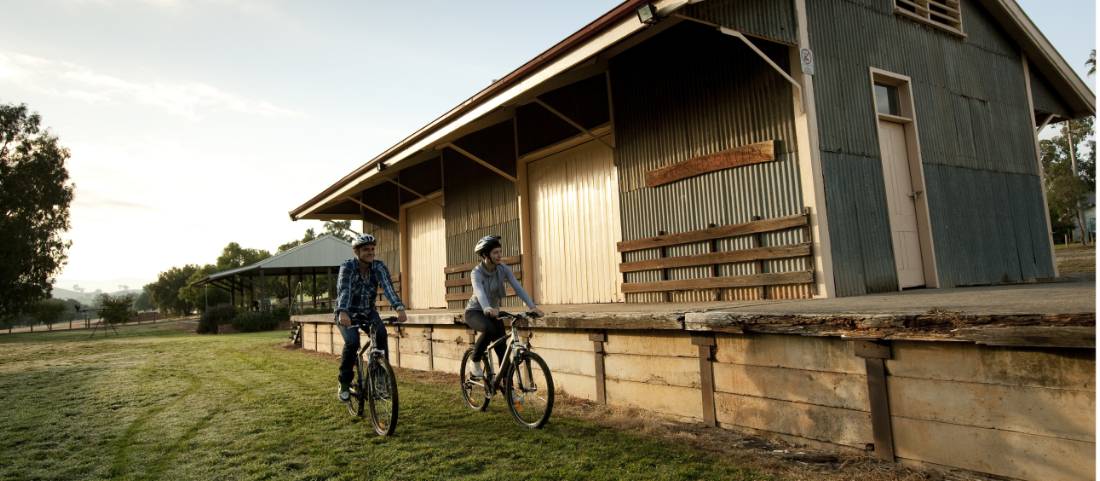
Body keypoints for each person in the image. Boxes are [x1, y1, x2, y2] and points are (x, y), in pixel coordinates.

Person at [334, 233, 407, 402]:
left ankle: (381, 379)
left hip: (368, 311)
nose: (370, 252)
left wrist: (399, 307)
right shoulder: (348, 267)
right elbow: (344, 289)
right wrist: (343, 311)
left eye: (372, 249)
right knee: (352, 342)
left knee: (381, 334)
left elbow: (388, 287)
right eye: (366, 249)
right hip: (347, 312)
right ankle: (344, 382)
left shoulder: (378, 267)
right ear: (357, 252)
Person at [465, 235, 543, 378]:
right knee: (489, 329)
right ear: (485, 255)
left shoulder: (503, 269)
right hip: (475, 311)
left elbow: (518, 288)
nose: (499, 255)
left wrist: (532, 307)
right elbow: (479, 292)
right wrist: (487, 308)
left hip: (494, 312)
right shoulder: (476, 273)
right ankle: (475, 361)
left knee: (503, 353)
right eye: (495, 252)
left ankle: (509, 391)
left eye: (500, 251)